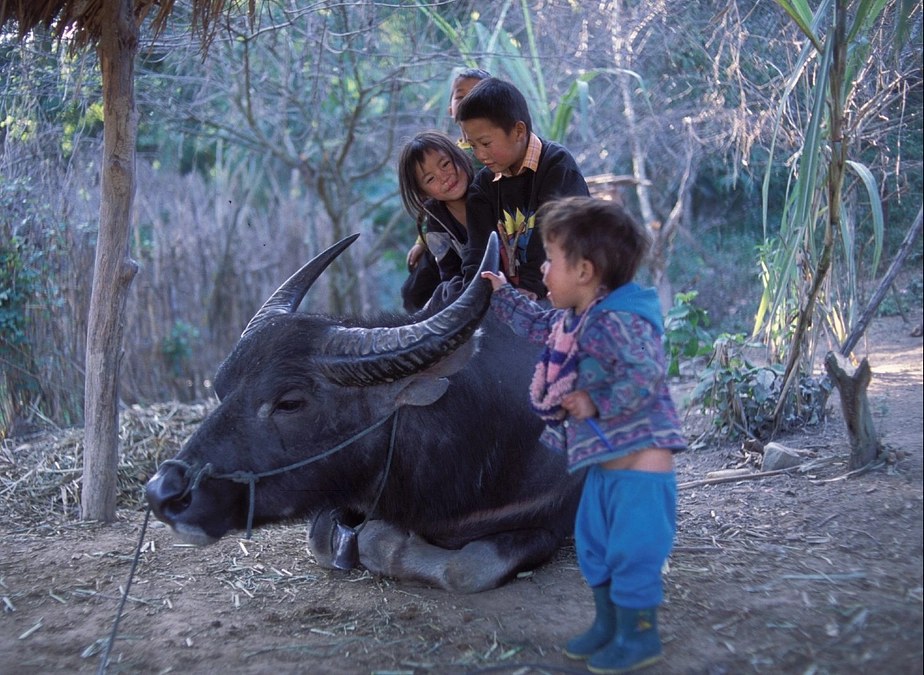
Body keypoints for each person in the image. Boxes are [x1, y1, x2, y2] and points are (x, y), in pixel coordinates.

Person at [481, 197, 687, 674]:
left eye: (551, 260)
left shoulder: (621, 321)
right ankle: (608, 623)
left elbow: (646, 374)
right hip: (603, 468)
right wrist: (500, 293)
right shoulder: (577, 320)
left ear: (585, 271)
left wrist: (595, 401)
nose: (544, 270)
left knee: (632, 555)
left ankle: (641, 637)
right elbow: (540, 323)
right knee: (594, 548)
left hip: (641, 473)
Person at [457, 77, 589, 302]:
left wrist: (531, 286)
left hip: (566, 292)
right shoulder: (482, 187)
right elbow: (478, 253)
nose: (479, 155)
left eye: (486, 143)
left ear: (519, 131)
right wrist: (474, 294)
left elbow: (556, 236)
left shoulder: (557, 166)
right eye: (473, 146)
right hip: (513, 298)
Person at [404, 68, 490, 275]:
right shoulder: (451, 155)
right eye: (461, 97)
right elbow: (430, 212)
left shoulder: (498, 149)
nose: (445, 175)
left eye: (476, 95)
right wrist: (421, 241)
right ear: (451, 109)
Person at [397, 131, 474, 308]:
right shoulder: (435, 226)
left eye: (445, 164)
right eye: (430, 178)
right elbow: (450, 273)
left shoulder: (488, 192)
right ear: (423, 193)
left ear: (459, 156)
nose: (444, 176)